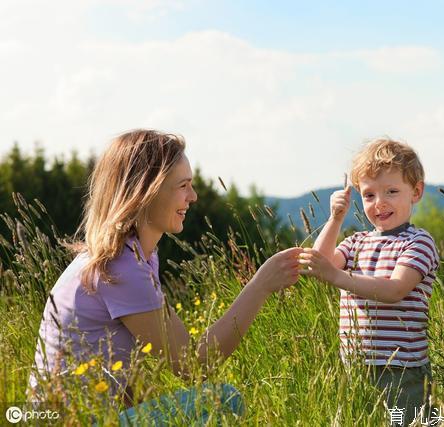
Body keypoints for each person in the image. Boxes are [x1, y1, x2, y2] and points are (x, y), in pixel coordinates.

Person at [28, 129, 302, 424]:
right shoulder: (122, 267)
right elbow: (195, 365)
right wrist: (260, 286)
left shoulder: (133, 256)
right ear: (147, 190)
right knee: (225, 399)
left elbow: (132, 376)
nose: (193, 197)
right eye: (183, 185)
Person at [298, 138, 439, 425]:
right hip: (355, 365)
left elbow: (395, 289)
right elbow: (320, 262)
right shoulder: (356, 242)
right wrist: (336, 219)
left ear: (416, 191)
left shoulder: (418, 242)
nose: (380, 202)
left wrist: (336, 276)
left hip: (403, 369)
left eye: (392, 191)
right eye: (369, 195)